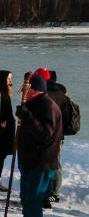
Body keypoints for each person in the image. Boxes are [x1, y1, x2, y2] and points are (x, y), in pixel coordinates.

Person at [10, 75, 62, 217]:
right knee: (27, 197)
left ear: (35, 90)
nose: (24, 92)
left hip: (41, 163)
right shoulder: (35, 104)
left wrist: (28, 117)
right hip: (30, 161)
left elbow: (45, 134)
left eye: (27, 89)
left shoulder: (48, 106)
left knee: (33, 199)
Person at [36, 67, 70, 207]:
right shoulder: (63, 97)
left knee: (43, 165)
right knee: (55, 164)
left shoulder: (43, 96)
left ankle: (44, 194)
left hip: (42, 136)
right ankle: (54, 194)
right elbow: (68, 120)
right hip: (58, 137)